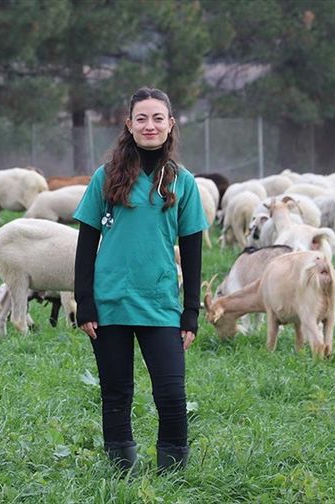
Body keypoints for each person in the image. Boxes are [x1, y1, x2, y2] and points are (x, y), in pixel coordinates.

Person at [72, 87, 208, 473]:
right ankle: (121, 471)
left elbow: (193, 249)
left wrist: (191, 311)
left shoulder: (183, 182)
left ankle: (173, 473)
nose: (150, 125)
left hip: (161, 303)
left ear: (170, 125)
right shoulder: (105, 177)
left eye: (158, 118)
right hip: (111, 301)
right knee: (116, 393)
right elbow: (86, 241)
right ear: (129, 125)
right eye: (142, 118)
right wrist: (85, 300)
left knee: (171, 394)